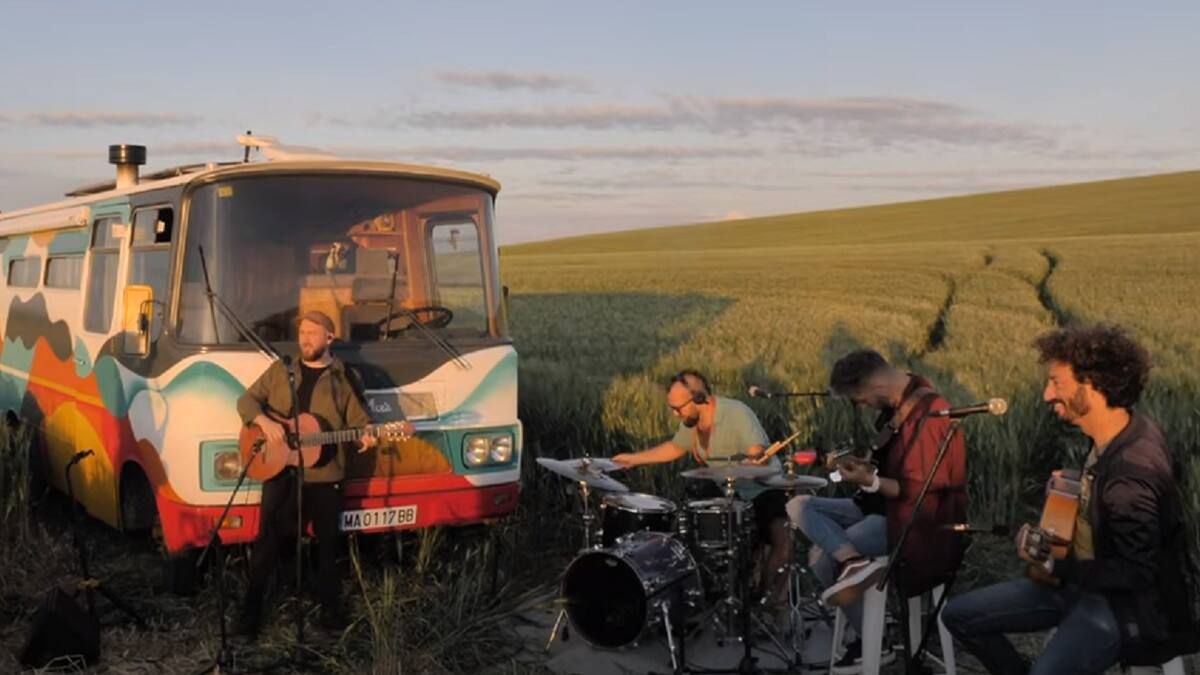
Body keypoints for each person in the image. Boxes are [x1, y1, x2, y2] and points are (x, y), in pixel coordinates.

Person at [942, 324, 1198, 675]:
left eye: (1056, 383)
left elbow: (1136, 571)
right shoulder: (1121, 431)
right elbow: (1114, 497)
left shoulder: (1131, 473)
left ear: (1091, 387)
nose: (1047, 394)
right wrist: (1077, 484)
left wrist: (1051, 566)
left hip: (1121, 607)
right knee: (958, 615)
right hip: (1084, 580)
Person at [785, 349, 967, 673]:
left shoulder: (928, 412)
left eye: (858, 399)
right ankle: (853, 563)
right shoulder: (901, 405)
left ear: (870, 386)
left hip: (912, 523)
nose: (862, 406)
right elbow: (893, 470)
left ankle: (876, 641)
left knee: (821, 557)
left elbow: (915, 491)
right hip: (878, 507)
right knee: (798, 504)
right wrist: (864, 468)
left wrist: (869, 480)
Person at [235, 310, 411, 638]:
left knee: (328, 548)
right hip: (280, 471)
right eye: (302, 332)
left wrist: (369, 434)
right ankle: (250, 616)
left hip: (326, 475)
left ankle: (331, 615)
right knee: (267, 544)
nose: (305, 339)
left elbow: (360, 422)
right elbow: (246, 401)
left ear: (330, 338)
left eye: (313, 333)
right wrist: (266, 423)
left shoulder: (344, 379)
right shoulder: (280, 370)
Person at [611, 370, 791, 606]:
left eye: (679, 407)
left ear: (698, 398)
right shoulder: (692, 421)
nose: (676, 414)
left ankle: (768, 600)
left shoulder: (736, 413)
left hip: (763, 487)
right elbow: (675, 448)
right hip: (728, 491)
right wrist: (633, 459)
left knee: (782, 538)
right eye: (672, 408)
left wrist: (753, 458)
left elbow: (758, 451)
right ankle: (720, 595)